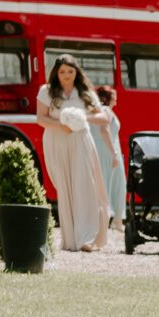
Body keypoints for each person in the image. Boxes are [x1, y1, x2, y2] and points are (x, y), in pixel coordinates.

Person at [38, 54, 108, 252]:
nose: (66, 76)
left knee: (84, 185)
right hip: (57, 141)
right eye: (62, 72)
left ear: (76, 72)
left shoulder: (85, 92)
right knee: (65, 187)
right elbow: (41, 118)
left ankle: (87, 238)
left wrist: (82, 117)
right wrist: (61, 125)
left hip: (81, 142)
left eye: (70, 71)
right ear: (56, 73)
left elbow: (103, 117)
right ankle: (70, 239)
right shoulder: (47, 91)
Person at [93, 83, 127, 227]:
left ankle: (114, 219)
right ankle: (115, 219)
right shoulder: (106, 110)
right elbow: (104, 130)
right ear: (108, 98)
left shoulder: (100, 111)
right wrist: (114, 152)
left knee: (107, 184)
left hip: (103, 150)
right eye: (114, 96)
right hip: (108, 151)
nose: (116, 98)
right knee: (116, 183)